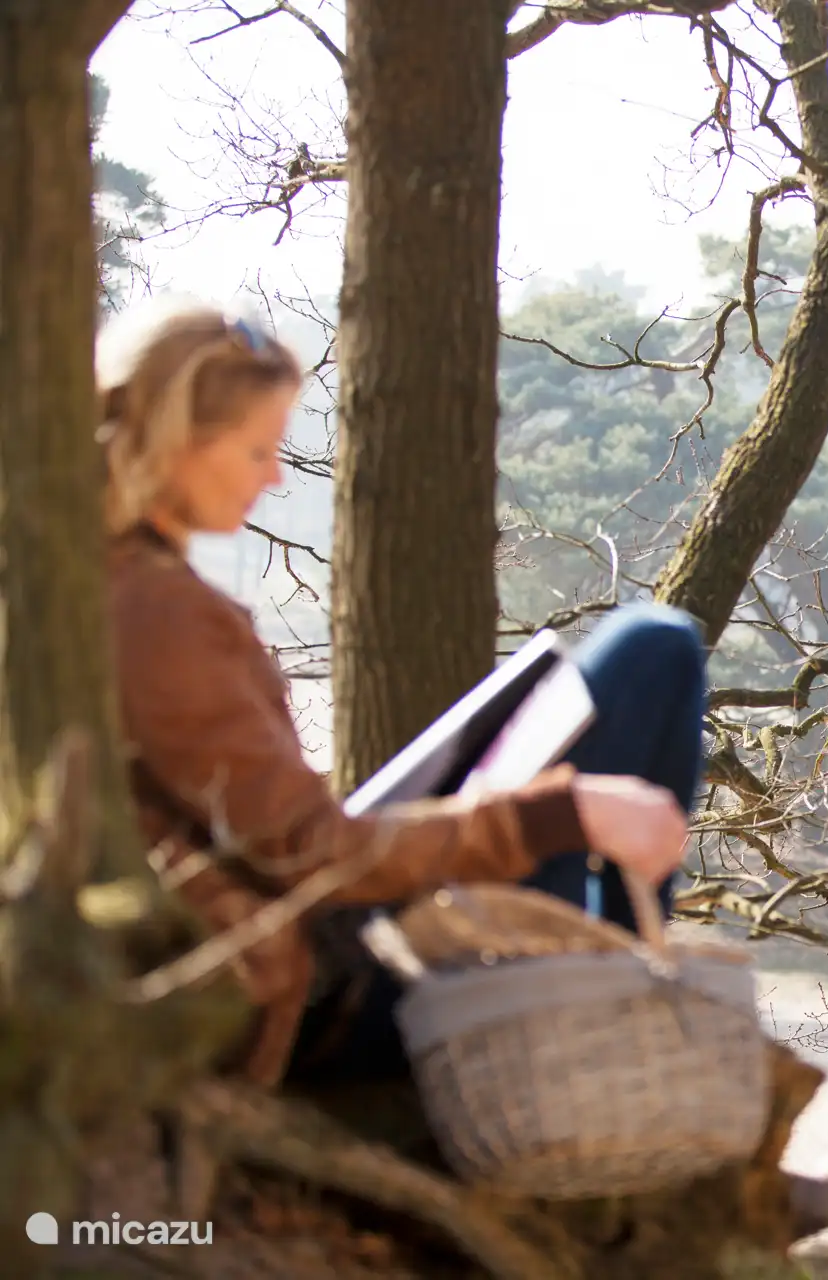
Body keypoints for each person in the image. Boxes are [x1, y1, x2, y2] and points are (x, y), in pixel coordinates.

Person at [99, 298, 707, 1088]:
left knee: (646, 654)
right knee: (655, 650)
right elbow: (308, 855)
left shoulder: (116, 587)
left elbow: (258, 832)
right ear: (180, 440)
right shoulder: (158, 613)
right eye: (257, 449)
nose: (274, 476)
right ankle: (642, 1016)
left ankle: (631, 996)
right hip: (325, 997)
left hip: (306, 953)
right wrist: (554, 814)